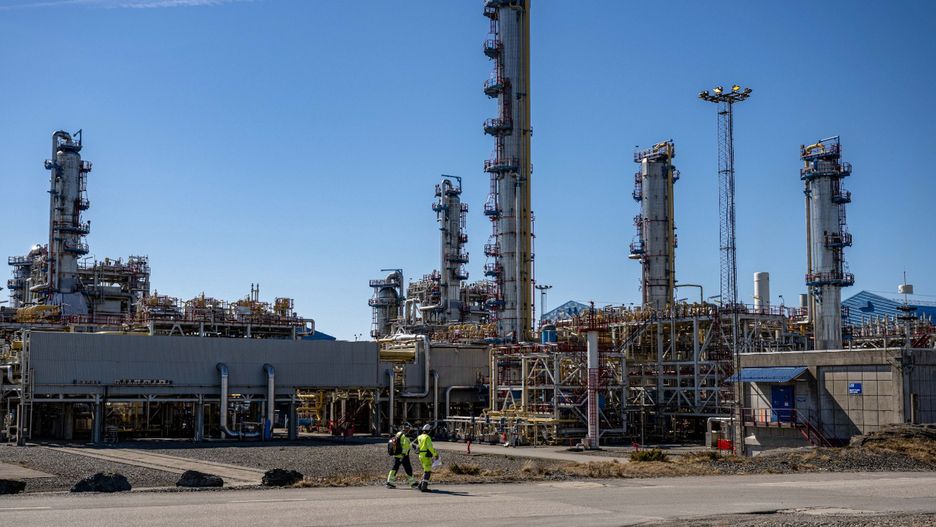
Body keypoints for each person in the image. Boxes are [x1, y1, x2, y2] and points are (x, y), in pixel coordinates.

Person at [386, 423, 417, 489]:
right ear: (407, 429)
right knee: (408, 469)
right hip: (403, 455)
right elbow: (405, 446)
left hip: (397, 454)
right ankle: (412, 483)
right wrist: (404, 454)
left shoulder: (398, 433)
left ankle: (389, 482)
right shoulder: (405, 435)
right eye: (409, 429)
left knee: (394, 468)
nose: (409, 430)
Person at [416, 423, 439, 492]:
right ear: (429, 430)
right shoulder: (427, 437)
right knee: (428, 471)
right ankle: (424, 487)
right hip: (426, 455)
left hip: (421, 455)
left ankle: (420, 485)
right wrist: (435, 454)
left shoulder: (419, 437)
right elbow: (430, 447)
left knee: (425, 470)